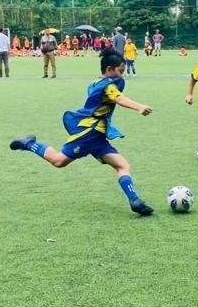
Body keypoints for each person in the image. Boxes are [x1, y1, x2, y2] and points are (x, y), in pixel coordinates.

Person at [9, 48, 154, 216]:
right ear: (109, 69)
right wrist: (139, 107)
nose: (122, 75)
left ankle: (135, 201)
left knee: (123, 166)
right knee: (58, 161)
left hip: (98, 137)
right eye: (120, 71)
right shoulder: (108, 86)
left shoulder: (96, 83)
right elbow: (119, 98)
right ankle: (29, 144)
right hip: (88, 134)